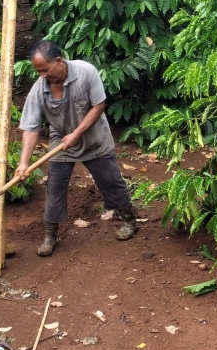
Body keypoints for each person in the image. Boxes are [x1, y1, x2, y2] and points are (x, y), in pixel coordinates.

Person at [14, 39, 138, 257]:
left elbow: (99, 105)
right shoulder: (38, 91)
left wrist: (77, 134)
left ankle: (129, 220)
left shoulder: (86, 72)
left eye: (45, 69)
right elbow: (31, 128)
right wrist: (24, 163)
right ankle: (50, 236)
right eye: (38, 71)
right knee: (55, 188)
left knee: (110, 180)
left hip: (94, 137)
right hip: (61, 142)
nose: (42, 75)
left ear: (59, 61)